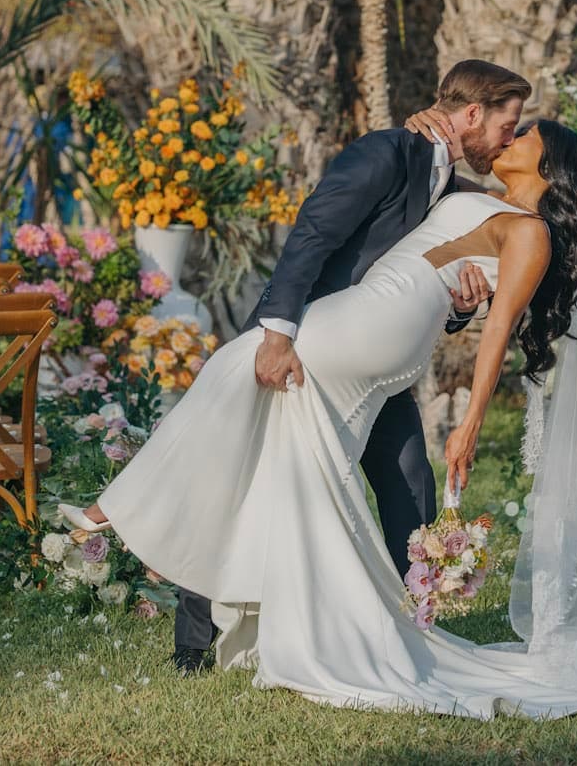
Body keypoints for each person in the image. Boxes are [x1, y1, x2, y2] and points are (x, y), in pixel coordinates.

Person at [61, 100, 577, 718]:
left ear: (547, 162)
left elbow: (495, 331)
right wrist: (427, 128)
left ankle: (119, 515)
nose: (512, 133)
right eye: (509, 119)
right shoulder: (471, 191)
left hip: (366, 336)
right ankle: (228, 587)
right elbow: (444, 255)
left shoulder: (529, 229)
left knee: (235, 374)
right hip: (369, 326)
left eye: (525, 131)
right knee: (266, 442)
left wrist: (468, 423)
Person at [65, 59, 531, 671]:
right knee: (238, 471)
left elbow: (426, 275)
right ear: (473, 114)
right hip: (314, 347)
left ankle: (413, 630)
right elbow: (313, 233)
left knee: (409, 482)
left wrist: (461, 308)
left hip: (372, 361)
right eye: (507, 124)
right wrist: (278, 333)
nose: (508, 139)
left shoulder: (449, 186)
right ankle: (193, 643)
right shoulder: (386, 153)